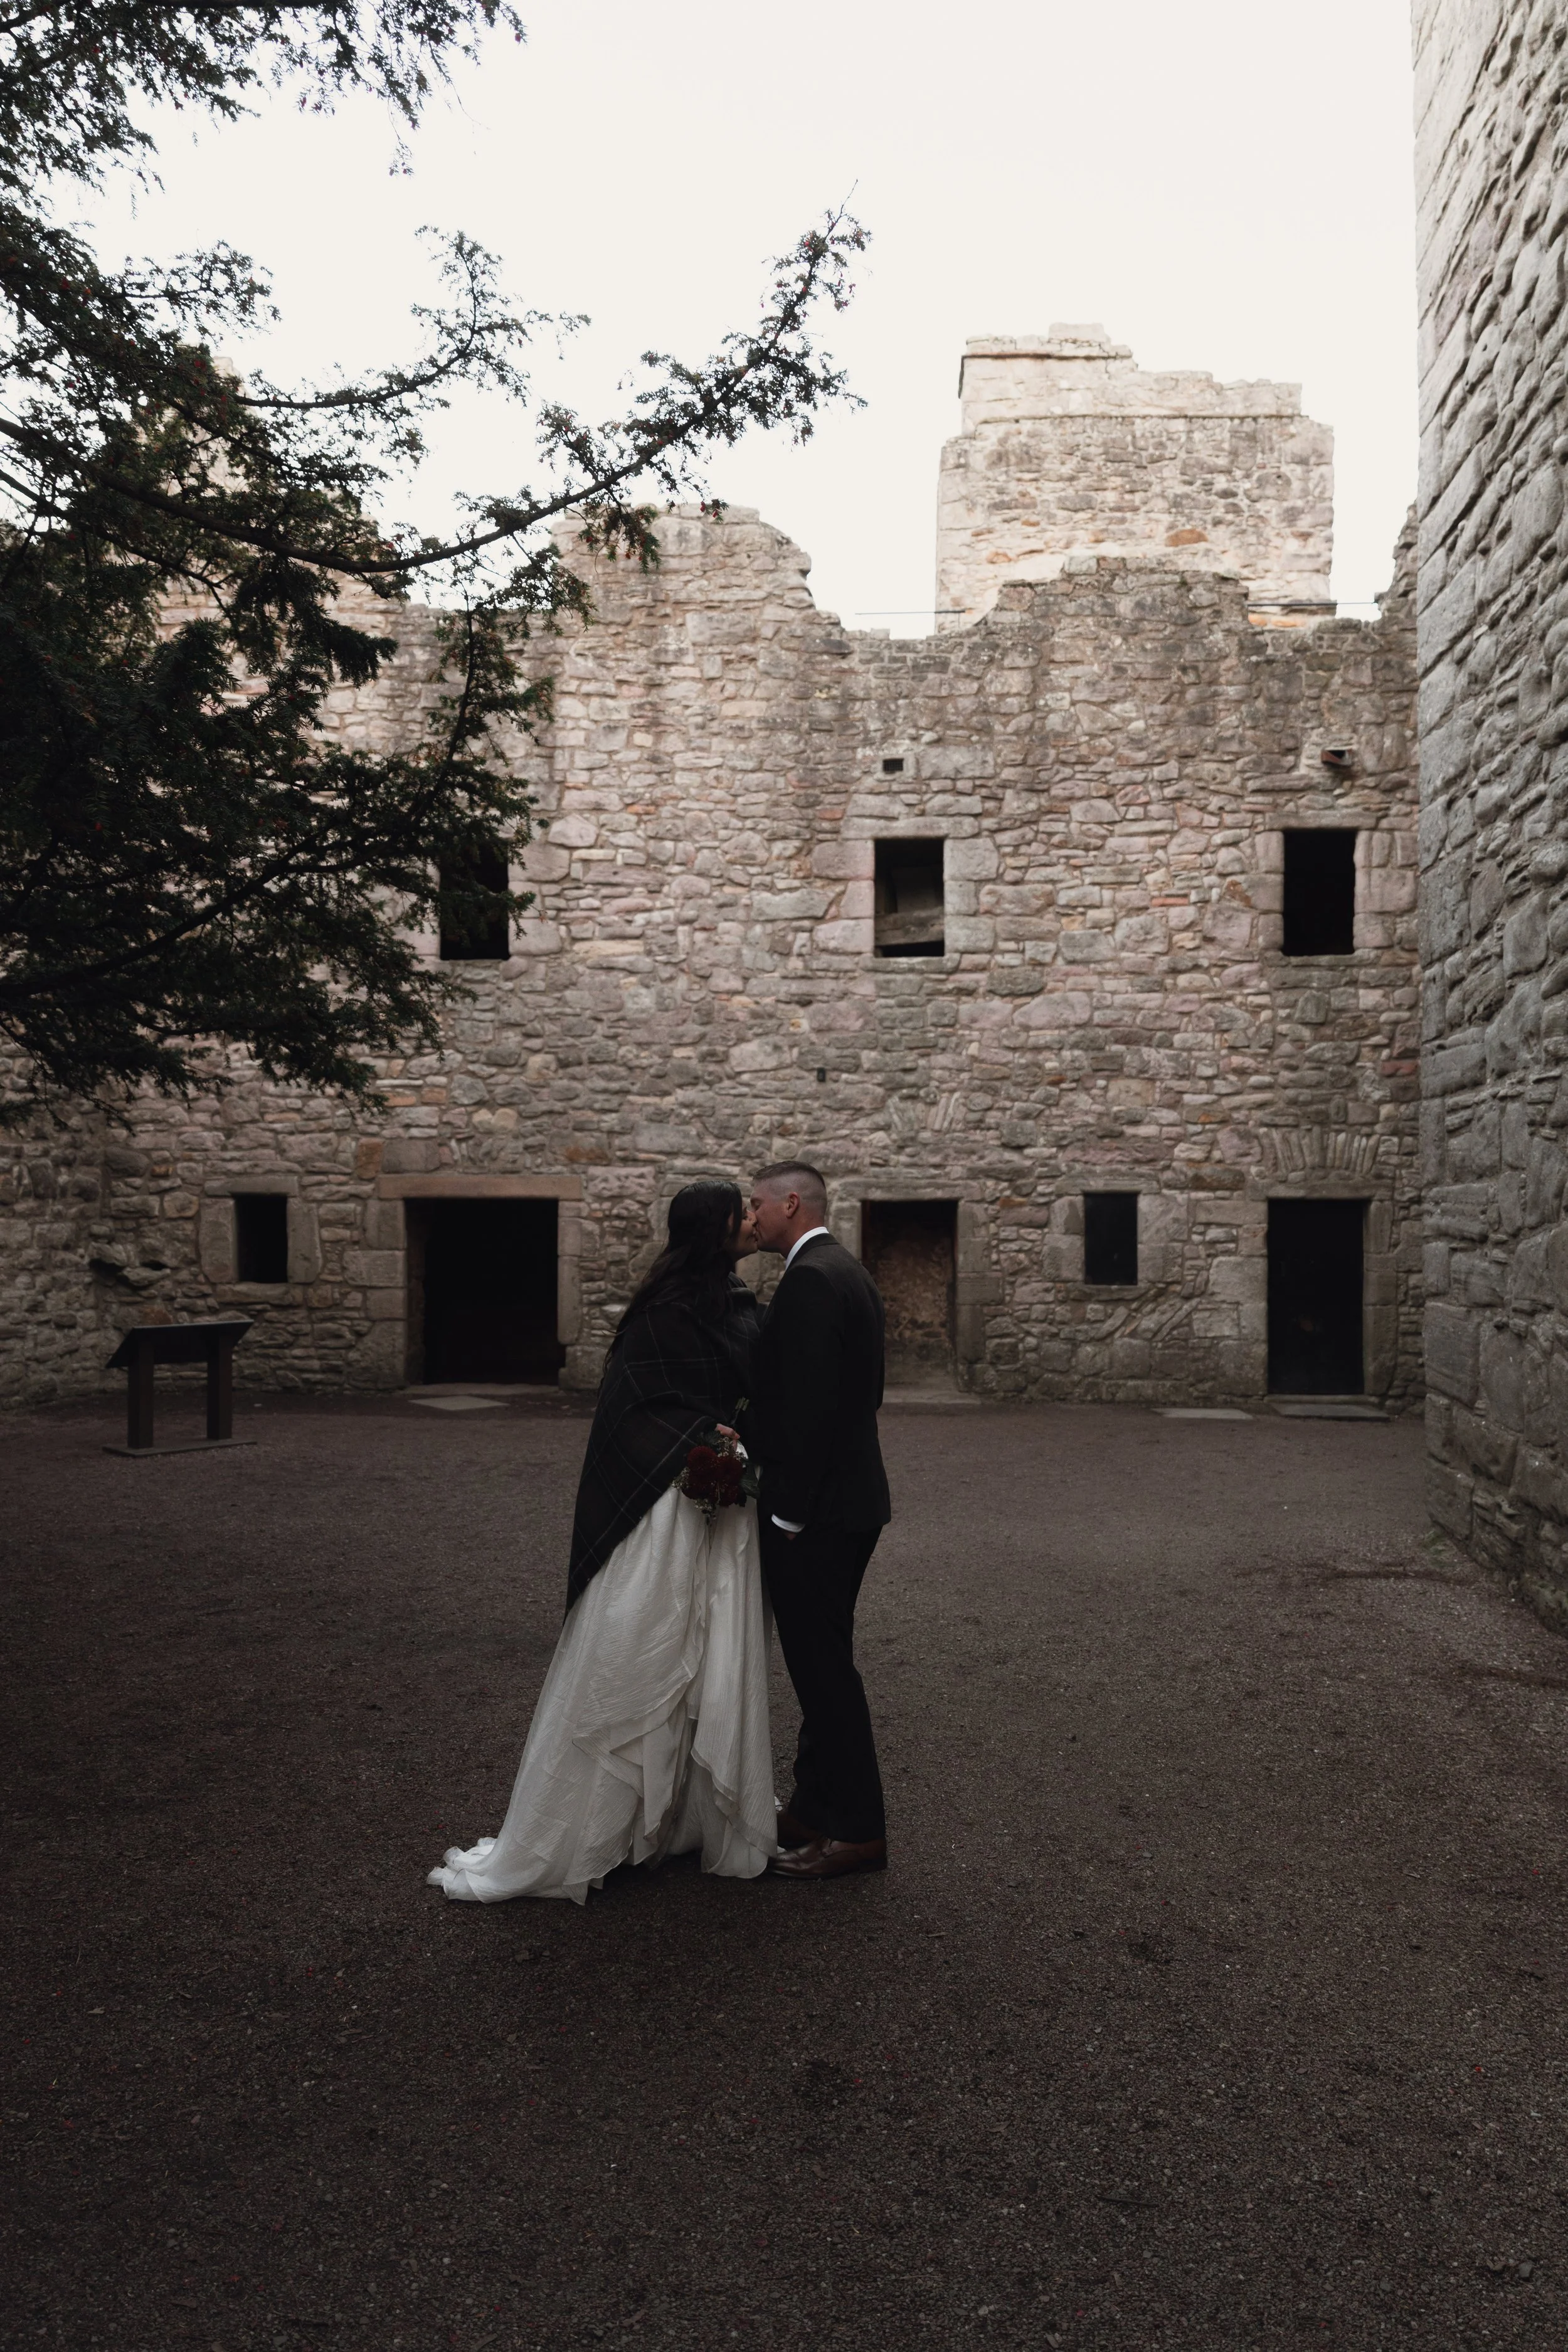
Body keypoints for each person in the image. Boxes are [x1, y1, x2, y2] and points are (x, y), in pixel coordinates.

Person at [428, 1180, 775, 1904]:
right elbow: (633, 1406)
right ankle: (600, 1826)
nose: (751, 1219)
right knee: (643, 1644)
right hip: (667, 1505)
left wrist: (743, 1433)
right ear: (712, 1228)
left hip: (720, 1506)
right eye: (740, 1211)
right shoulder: (664, 1308)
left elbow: (755, 1384)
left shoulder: (737, 1300)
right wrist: (703, 1439)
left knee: (708, 1652)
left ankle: (681, 1814)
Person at [744, 1162, 892, 1879]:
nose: (750, 1218)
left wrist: (789, 1516)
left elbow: (808, 1412)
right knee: (821, 1662)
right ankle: (810, 1808)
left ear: (790, 1204)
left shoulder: (809, 1279)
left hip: (820, 1512)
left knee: (824, 1673)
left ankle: (859, 1831)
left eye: (756, 1205)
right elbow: (864, 1393)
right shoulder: (848, 1271)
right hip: (854, 1499)